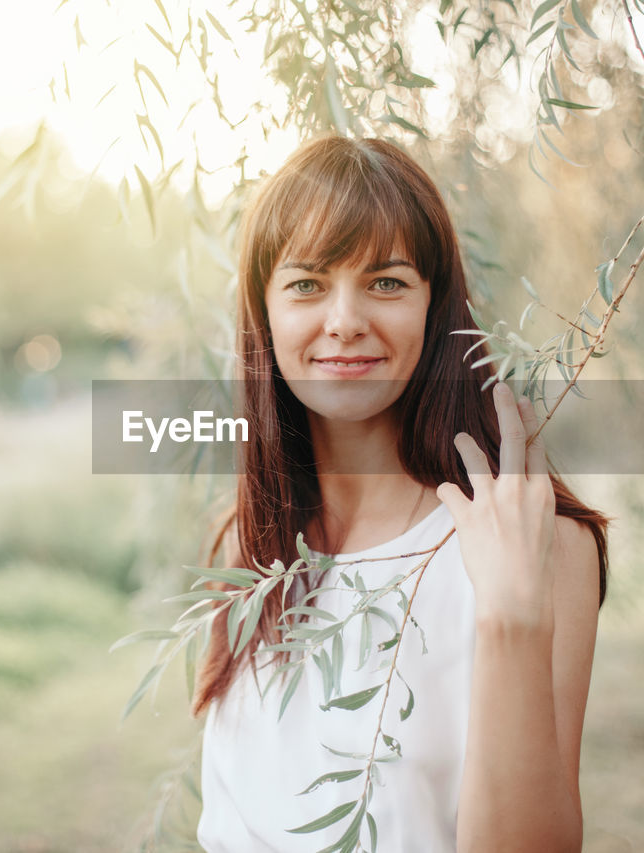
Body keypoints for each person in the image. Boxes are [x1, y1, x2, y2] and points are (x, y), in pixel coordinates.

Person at [193, 136, 609, 852]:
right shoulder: (246, 541)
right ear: (263, 313)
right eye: (307, 283)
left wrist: (511, 613)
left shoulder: (541, 545)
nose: (346, 318)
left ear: (433, 307)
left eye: (385, 282)